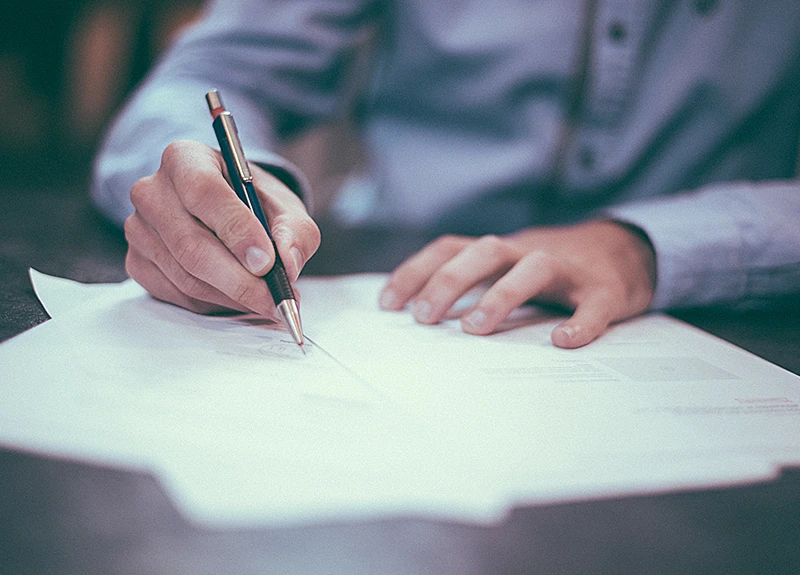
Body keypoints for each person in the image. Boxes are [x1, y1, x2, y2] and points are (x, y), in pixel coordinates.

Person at [92, 0, 800, 348]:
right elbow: (210, 74)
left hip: (719, 317)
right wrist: (212, 189)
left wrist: (645, 245)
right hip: (392, 287)